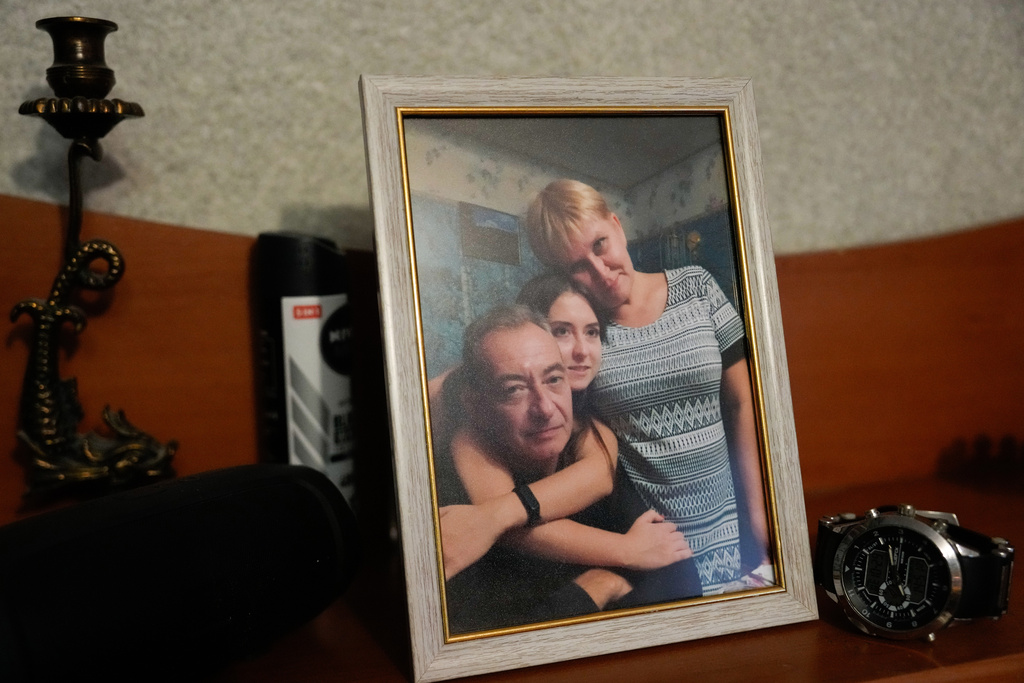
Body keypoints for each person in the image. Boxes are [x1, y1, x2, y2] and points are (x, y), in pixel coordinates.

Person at [524, 178, 772, 596]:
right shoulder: (584, 337)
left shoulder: (697, 286)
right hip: (654, 548)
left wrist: (760, 515)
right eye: (577, 266)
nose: (600, 271)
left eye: (600, 245)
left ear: (617, 226)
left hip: (736, 526)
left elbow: (744, 403)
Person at [437, 304, 690, 633]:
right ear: (476, 406)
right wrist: (598, 586)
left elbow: (678, 574)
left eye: (554, 379)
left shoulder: (589, 444)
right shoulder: (453, 493)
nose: (544, 408)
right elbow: (490, 643)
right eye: (514, 390)